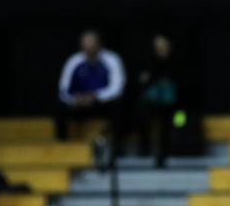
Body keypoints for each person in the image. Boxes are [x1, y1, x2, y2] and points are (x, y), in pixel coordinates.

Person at [55, 30, 126, 141]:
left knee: (118, 107)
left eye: (91, 43)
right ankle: (62, 145)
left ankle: (116, 149)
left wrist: (96, 96)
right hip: (79, 103)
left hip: (101, 103)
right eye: (86, 44)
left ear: (99, 44)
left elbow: (117, 87)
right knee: (59, 107)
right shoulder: (74, 61)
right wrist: (75, 99)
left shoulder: (112, 59)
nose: (88, 47)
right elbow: (63, 89)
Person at [134, 34, 180, 167]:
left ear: (169, 47)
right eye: (158, 47)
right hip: (154, 104)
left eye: (163, 46)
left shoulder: (177, 62)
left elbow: (184, 87)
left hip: (177, 108)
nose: (160, 49)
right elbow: (143, 82)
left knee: (176, 121)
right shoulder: (150, 62)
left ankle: (167, 152)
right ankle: (145, 147)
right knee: (141, 112)